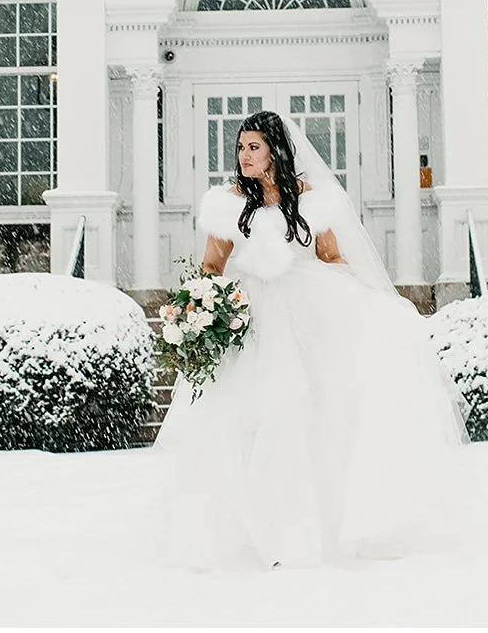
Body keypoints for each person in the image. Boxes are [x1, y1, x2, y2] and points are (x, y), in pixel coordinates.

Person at [152, 110, 470, 570]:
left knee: (309, 418)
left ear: (275, 151)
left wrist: (367, 302)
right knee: (248, 422)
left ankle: (309, 527)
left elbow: (332, 256)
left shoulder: (311, 201)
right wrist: (196, 307)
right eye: (241, 147)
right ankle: (254, 530)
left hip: (308, 314)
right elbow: (211, 268)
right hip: (250, 321)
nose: (244, 155)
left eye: (254, 147)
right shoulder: (226, 204)